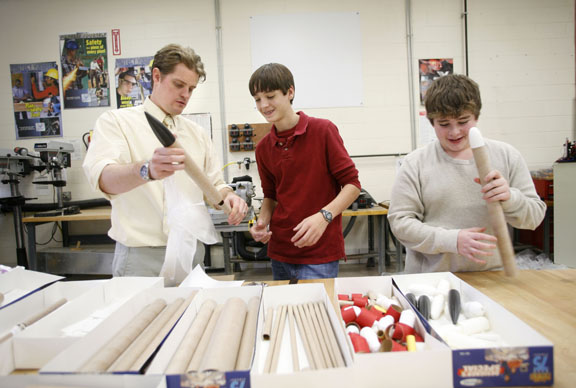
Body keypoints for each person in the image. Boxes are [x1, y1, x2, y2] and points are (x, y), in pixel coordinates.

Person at [83, 44, 248, 277]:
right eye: (179, 85)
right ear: (157, 76)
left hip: (191, 254)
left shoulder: (197, 134)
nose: (186, 95)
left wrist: (229, 196)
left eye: (191, 89)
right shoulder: (116, 122)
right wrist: (146, 170)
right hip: (140, 258)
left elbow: (213, 185)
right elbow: (103, 178)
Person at [388, 74, 546, 273]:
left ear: (476, 116)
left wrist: (510, 198)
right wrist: (452, 240)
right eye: (444, 124)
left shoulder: (507, 156)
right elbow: (400, 224)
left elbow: (534, 218)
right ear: (432, 122)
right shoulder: (416, 163)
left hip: (493, 278)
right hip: (430, 282)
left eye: (463, 121)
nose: (454, 132)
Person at [248, 63, 361, 280]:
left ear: (290, 92)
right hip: (280, 252)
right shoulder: (263, 147)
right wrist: (261, 223)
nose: (264, 105)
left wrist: (323, 217)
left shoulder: (323, 131)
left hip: (319, 253)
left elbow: (353, 185)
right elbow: (271, 196)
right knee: (285, 313)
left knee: (316, 313)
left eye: (270, 96)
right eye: (258, 99)